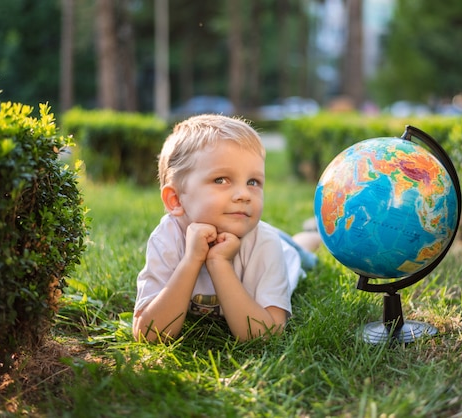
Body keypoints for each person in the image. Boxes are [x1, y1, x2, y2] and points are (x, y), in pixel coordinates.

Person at [133, 114, 321, 342]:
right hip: (256, 236)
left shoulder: (266, 244)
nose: (243, 194)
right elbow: (147, 334)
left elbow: (267, 334)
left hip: (285, 252)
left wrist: (218, 263)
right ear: (175, 200)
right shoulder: (167, 238)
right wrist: (192, 260)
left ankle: (312, 236)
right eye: (221, 180)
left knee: (303, 254)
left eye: (253, 182)